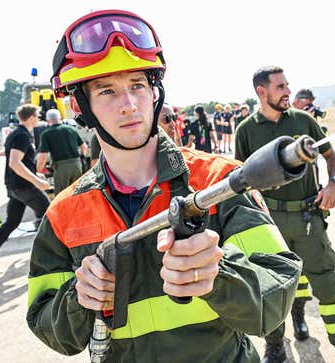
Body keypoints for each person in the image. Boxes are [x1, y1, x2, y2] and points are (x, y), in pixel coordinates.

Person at [27, 10, 301, 362]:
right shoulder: (64, 212)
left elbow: (275, 299)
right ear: (80, 105)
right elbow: (50, 328)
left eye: (137, 86)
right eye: (108, 90)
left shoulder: (219, 180)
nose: (129, 105)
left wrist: (218, 275)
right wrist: (80, 298)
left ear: (154, 92)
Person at [235, 66, 335, 363]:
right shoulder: (245, 131)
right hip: (269, 224)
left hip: (307, 220)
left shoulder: (304, 121)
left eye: (288, 85)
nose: (288, 91)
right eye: (280, 87)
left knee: (328, 287)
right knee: (273, 288)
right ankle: (276, 346)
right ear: (261, 92)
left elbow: (331, 156)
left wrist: (333, 184)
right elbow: (238, 179)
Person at [0, 104, 51, 275]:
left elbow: (14, 157)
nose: (40, 118)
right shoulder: (22, 135)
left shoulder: (16, 133)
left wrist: (35, 173)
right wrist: (37, 181)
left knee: (12, 222)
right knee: (50, 215)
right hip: (24, 186)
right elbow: (15, 163)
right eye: (38, 115)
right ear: (30, 117)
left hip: (15, 186)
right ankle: (47, 261)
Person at [36, 109, 88, 195]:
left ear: (48, 120)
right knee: (77, 191)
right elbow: (84, 147)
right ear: (60, 118)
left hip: (62, 167)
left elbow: (43, 156)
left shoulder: (46, 134)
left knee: (62, 194)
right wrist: (82, 158)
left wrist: (38, 171)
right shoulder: (71, 129)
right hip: (77, 164)